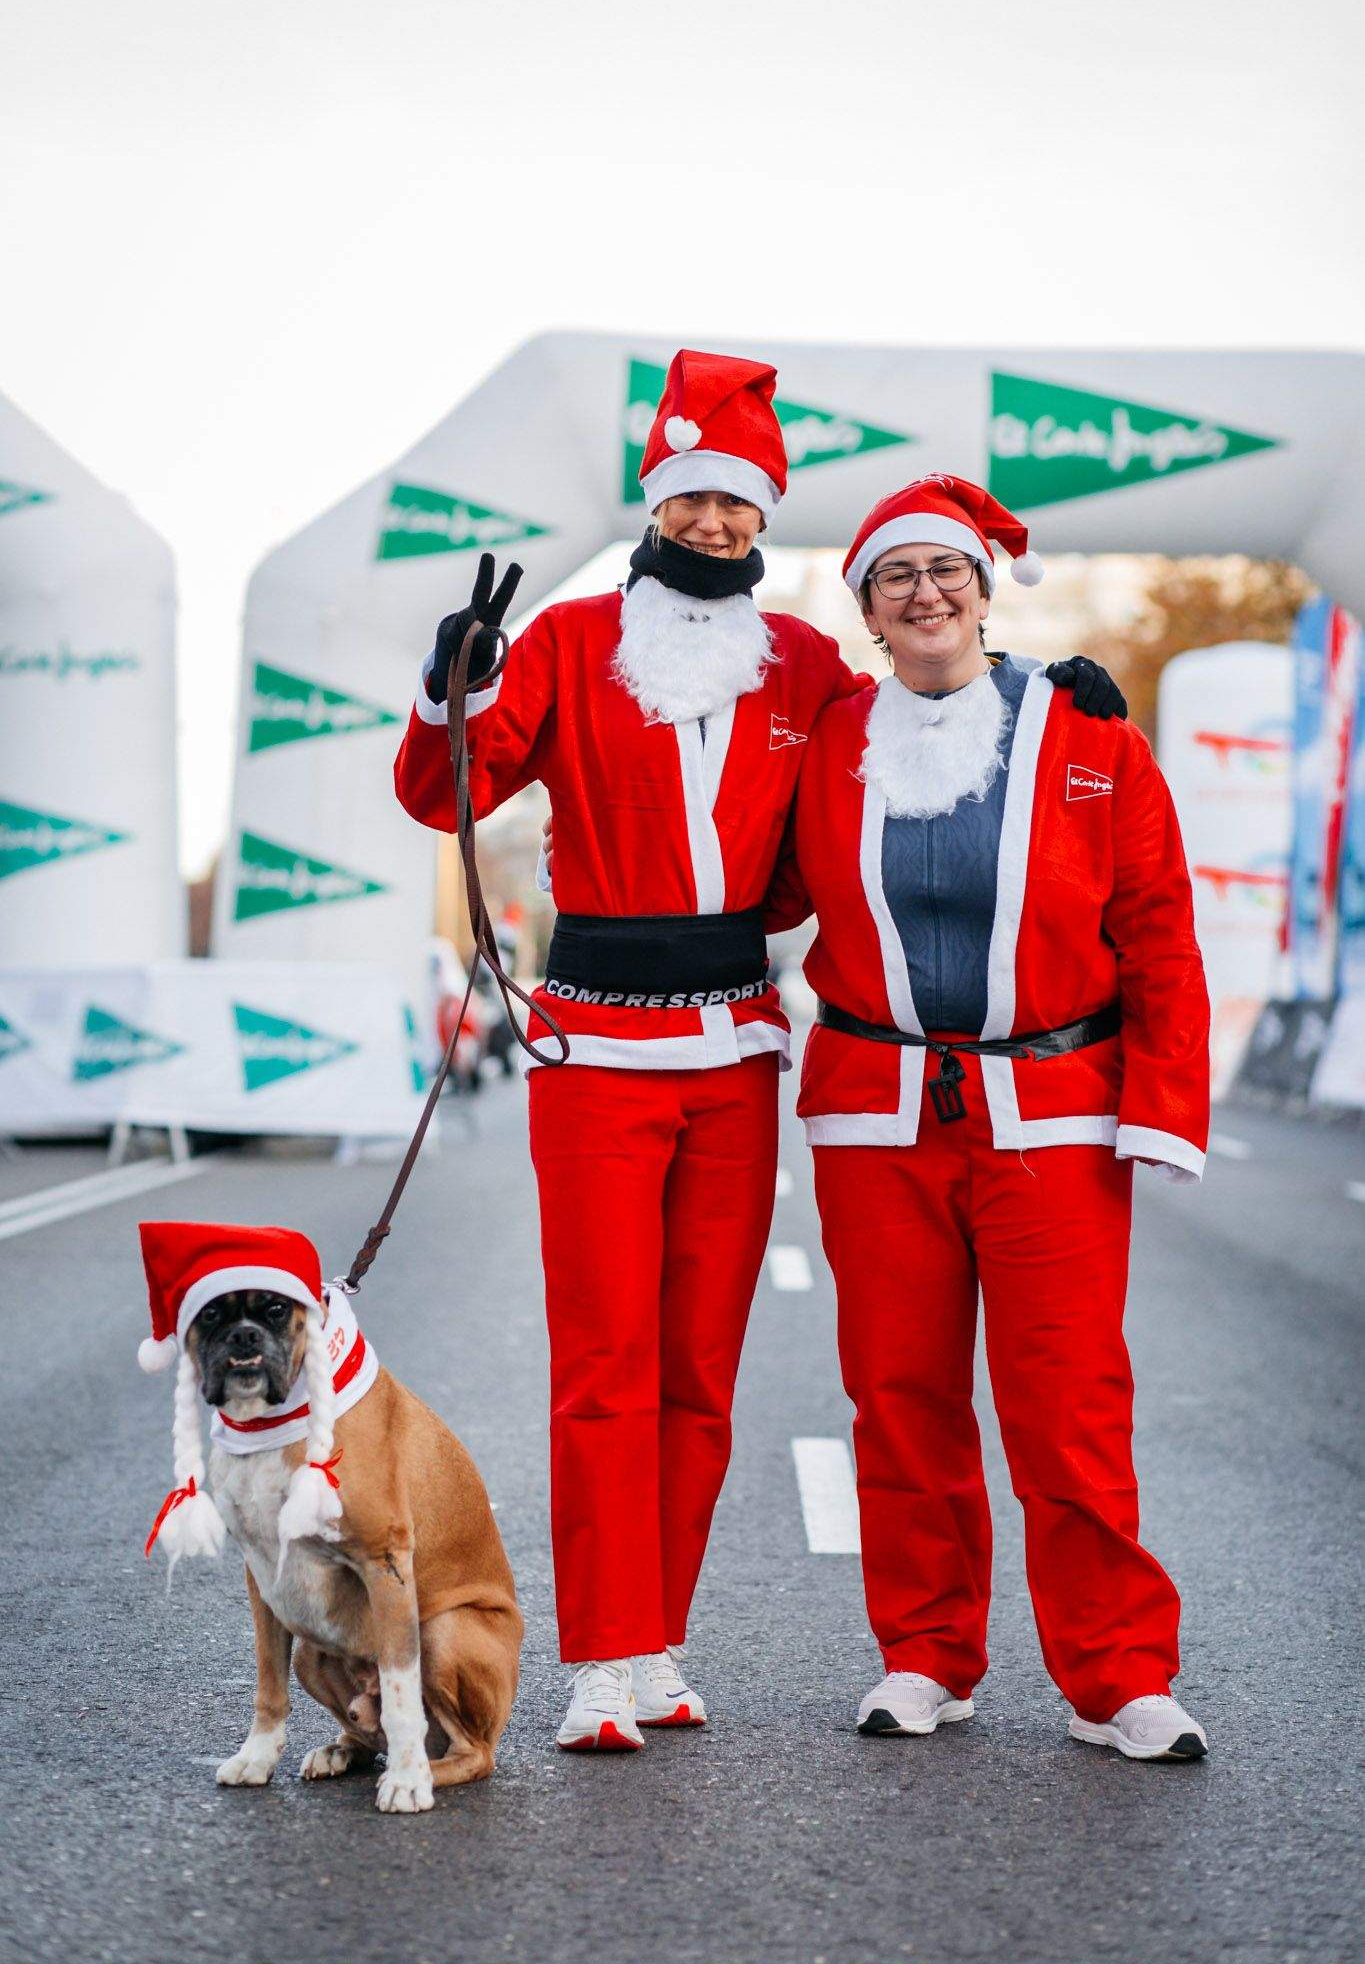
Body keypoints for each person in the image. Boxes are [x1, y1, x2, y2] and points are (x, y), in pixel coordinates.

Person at [393, 360, 1120, 1753]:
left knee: (697, 1380)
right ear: (656, 508)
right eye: (694, 500)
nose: (718, 522)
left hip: (735, 1055)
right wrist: (452, 689)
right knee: (603, 1367)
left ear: (763, 517)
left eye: (740, 504)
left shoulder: (806, 667)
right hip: (594, 1051)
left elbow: (921, 728)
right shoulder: (560, 641)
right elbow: (443, 793)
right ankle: (601, 1661)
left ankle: (657, 1642)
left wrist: (1043, 701)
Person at [771, 473, 1211, 1761]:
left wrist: (1161, 1110)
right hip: (878, 1115)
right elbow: (755, 871)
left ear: (982, 589)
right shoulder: (832, 742)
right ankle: (925, 1656)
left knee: (1068, 1405)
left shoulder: (1091, 742)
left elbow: (1161, 938)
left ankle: (1119, 1674)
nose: (923, 594)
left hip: (1055, 1115)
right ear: (866, 611)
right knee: (899, 1398)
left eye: (944, 572)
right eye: (894, 579)